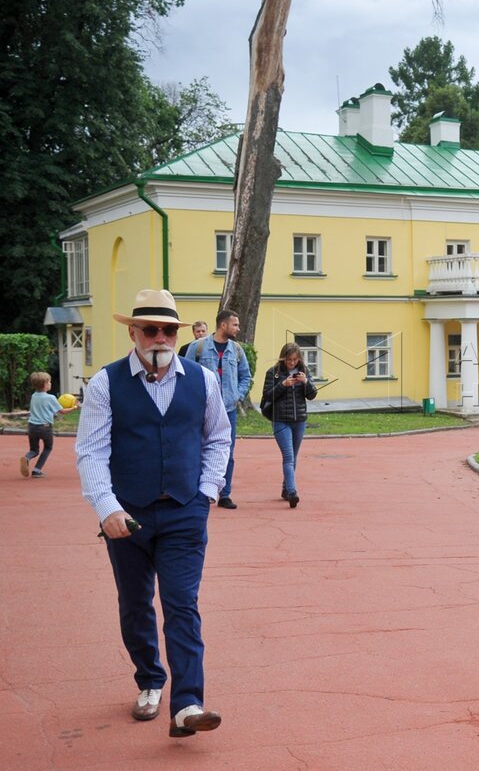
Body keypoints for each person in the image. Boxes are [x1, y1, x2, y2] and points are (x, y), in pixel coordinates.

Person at [75, 289, 231, 738]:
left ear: (177, 333)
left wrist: (206, 492)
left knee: (182, 605)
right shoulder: (106, 382)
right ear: (133, 332)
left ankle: (187, 704)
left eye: (168, 329)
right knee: (136, 605)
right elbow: (90, 452)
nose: (159, 337)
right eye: (150, 329)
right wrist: (106, 508)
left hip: (185, 512)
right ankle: (149, 679)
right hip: (128, 516)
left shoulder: (202, 379)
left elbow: (219, 437)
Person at [187, 309, 251, 509]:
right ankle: (199, 491)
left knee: (227, 452)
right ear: (223, 325)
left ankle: (225, 493)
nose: (238, 329)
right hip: (202, 409)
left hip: (228, 410)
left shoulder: (237, 350)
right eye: (235, 325)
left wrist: (237, 395)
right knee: (197, 449)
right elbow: (186, 374)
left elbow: (246, 376)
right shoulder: (197, 348)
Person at [261, 342, 318, 508]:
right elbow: (267, 395)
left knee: (294, 457)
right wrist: (283, 385)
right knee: (288, 456)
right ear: (283, 358)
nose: (292, 363)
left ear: (299, 359)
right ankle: (292, 492)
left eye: (294, 359)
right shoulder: (274, 373)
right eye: (288, 360)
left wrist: (306, 382)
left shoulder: (304, 371)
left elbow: (312, 395)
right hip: (280, 420)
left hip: (299, 420)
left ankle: (286, 489)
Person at [20, 371, 77, 478]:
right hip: (45, 428)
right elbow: (62, 411)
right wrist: (74, 408)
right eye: (49, 382)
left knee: (34, 450)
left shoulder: (33, 396)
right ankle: (36, 470)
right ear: (45, 384)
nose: (50, 383)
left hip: (32, 427)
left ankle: (27, 457)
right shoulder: (50, 398)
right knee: (48, 448)